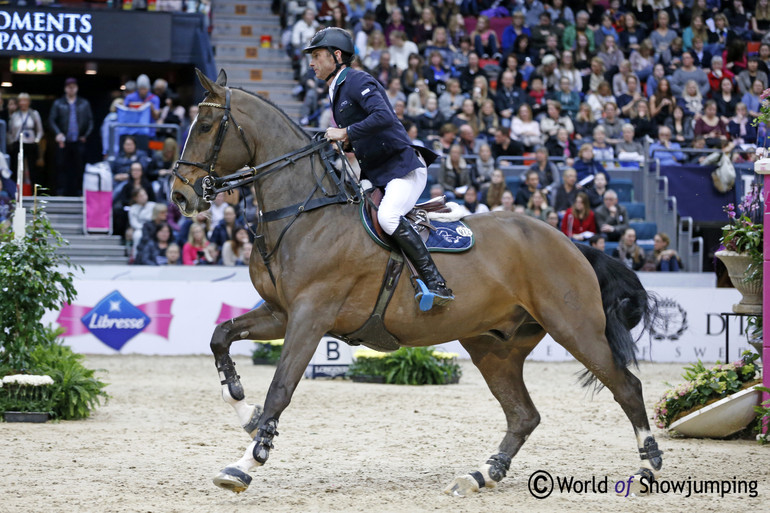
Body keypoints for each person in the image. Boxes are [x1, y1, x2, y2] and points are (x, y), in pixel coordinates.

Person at [305, 27, 451, 306]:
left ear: (337, 56)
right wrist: (344, 143)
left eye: (317, 56)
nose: (312, 63)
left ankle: (437, 282)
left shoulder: (357, 79)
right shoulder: (335, 90)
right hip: (378, 174)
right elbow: (364, 134)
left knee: (388, 218)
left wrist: (346, 132)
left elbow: (384, 116)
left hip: (402, 168)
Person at [48, 77, 93, 197]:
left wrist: (85, 135)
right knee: (61, 167)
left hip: (78, 140)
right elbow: (52, 120)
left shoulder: (84, 103)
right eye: (69, 87)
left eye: (73, 86)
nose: (71, 89)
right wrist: (58, 133)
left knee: (80, 168)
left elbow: (90, 121)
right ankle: (60, 192)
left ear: (77, 88)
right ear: (65, 89)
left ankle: (80, 192)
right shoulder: (58, 103)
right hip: (63, 141)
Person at [8, 92, 44, 190]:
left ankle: (34, 192)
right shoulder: (15, 115)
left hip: (31, 144)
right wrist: (12, 142)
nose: (23, 103)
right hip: (18, 144)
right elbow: (10, 131)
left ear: (29, 102)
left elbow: (40, 130)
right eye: (21, 101)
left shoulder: (34, 114)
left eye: (25, 100)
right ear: (18, 103)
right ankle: (15, 191)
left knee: (33, 169)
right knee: (16, 168)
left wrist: (36, 140)